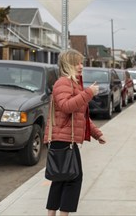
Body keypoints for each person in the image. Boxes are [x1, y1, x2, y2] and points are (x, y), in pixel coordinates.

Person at [44, 49, 107, 216]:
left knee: (61, 179)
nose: (81, 66)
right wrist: (88, 94)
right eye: (77, 63)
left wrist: (96, 133)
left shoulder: (73, 84)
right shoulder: (62, 83)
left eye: (81, 62)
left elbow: (80, 116)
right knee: (73, 180)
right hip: (63, 139)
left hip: (65, 140)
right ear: (68, 65)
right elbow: (66, 106)